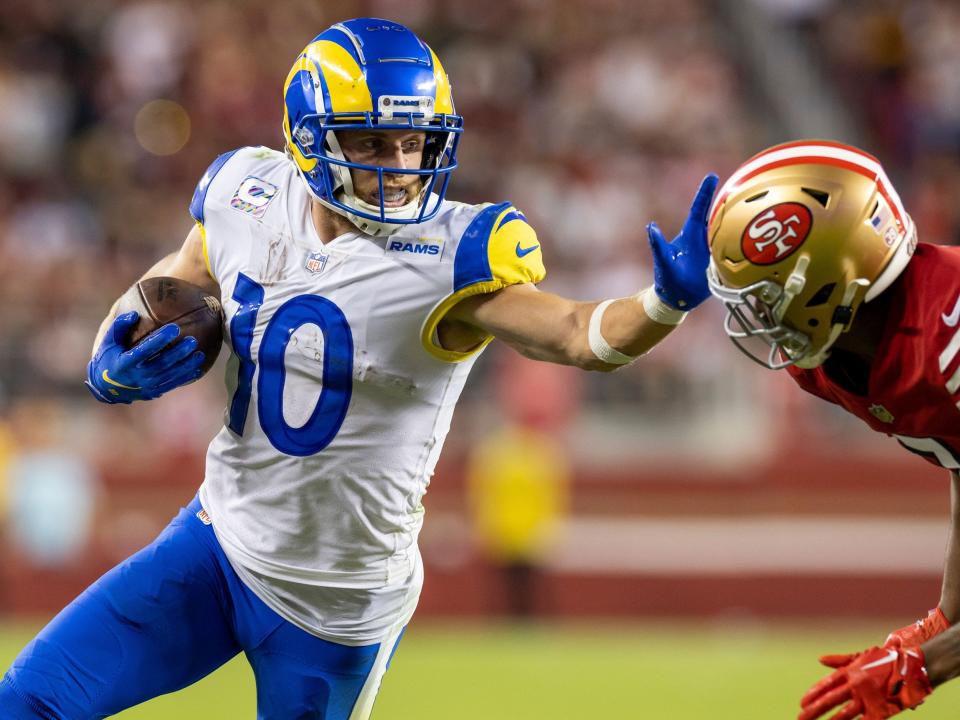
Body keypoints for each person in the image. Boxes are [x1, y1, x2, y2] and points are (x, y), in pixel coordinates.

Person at [0, 17, 718, 719]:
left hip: (334, 607)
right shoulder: (246, 192)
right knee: (24, 702)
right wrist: (111, 350)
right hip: (214, 546)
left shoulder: (456, 253)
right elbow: (178, 276)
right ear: (308, 139)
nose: (400, 167)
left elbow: (574, 335)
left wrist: (663, 301)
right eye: (373, 140)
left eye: (415, 142)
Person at [707, 139, 960, 719]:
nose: (761, 317)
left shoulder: (950, 325)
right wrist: (945, 619)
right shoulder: (829, 365)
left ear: (826, 275)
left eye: (768, 294)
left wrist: (932, 663)